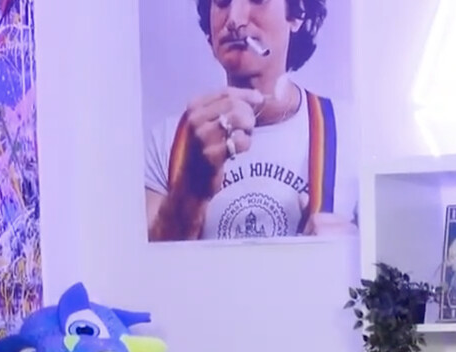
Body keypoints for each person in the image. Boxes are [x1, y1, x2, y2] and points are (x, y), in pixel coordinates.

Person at [143, 0, 357, 242]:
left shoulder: (352, 131)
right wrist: (189, 189)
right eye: (222, 2)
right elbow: (142, 260)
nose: (234, 19)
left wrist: (357, 245)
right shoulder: (168, 140)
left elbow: (386, 255)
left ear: (298, 13)